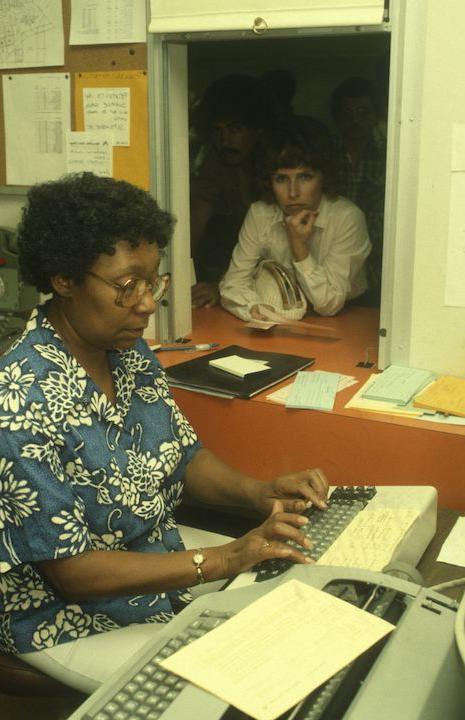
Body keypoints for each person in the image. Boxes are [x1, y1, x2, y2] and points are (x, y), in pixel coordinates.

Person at [0, 172, 329, 694]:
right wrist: (224, 558)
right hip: (67, 616)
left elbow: (182, 456)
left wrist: (257, 492)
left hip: (153, 555)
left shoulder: (126, 352)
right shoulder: (18, 400)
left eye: (154, 281)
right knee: (228, 686)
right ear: (63, 277)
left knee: (296, 597)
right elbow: (73, 573)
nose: (147, 303)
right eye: (127, 285)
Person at [219, 119, 371, 320]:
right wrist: (253, 308)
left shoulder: (347, 218)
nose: (293, 193)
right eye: (281, 179)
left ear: (324, 177)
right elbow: (232, 284)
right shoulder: (260, 213)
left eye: (305, 177)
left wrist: (299, 246)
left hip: (347, 316)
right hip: (278, 313)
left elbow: (328, 304)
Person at [190, 74, 274, 309]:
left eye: (235, 129)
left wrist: (222, 286)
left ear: (258, 130)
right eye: (217, 130)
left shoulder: (279, 170)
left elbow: (278, 253)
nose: (224, 140)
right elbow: (193, 229)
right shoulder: (215, 165)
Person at [330, 76, 387, 306]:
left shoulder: (389, 157)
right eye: (347, 113)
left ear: (375, 116)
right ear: (337, 118)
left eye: (363, 112)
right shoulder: (324, 156)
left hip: (376, 269)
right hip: (331, 266)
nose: (355, 120)